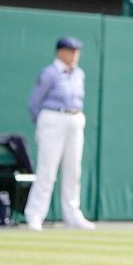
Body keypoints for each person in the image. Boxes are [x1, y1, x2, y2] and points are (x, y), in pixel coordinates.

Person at [24, 37, 95, 231]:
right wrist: (43, 123)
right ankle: (35, 214)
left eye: (77, 51)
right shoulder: (49, 74)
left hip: (75, 120)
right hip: (53, 119)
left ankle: (72, 214)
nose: (74, 55)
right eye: (71, 51)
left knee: (74, 170)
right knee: (47, 171)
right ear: (60, 52)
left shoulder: (79, 74)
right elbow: (33, 102)